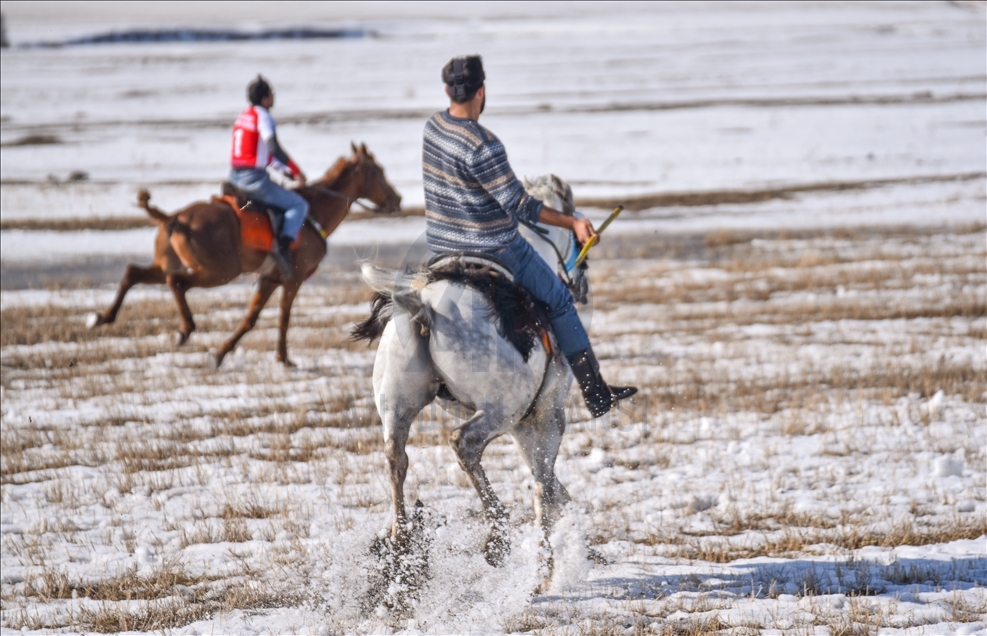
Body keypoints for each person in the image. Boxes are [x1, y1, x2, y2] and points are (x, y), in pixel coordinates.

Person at [422, 55, 637, 418]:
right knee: (561, 300)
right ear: (482, 91)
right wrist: (573, 224)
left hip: (441, 248)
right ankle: (596, 392)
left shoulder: (433, 127)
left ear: (447, 91)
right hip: (495, 249)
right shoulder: (484, 144)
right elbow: (519, 204)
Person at [229, 75, 308, 278]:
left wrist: (287, 173)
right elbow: (274, 148)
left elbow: (267, 156)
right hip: (254, 180)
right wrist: (297, 172)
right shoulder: (263, 116)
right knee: (299, 205)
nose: (274, 97)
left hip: (235, 176)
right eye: (271, 93)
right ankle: (282, 248)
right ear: (265, 98)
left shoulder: (243, 116)